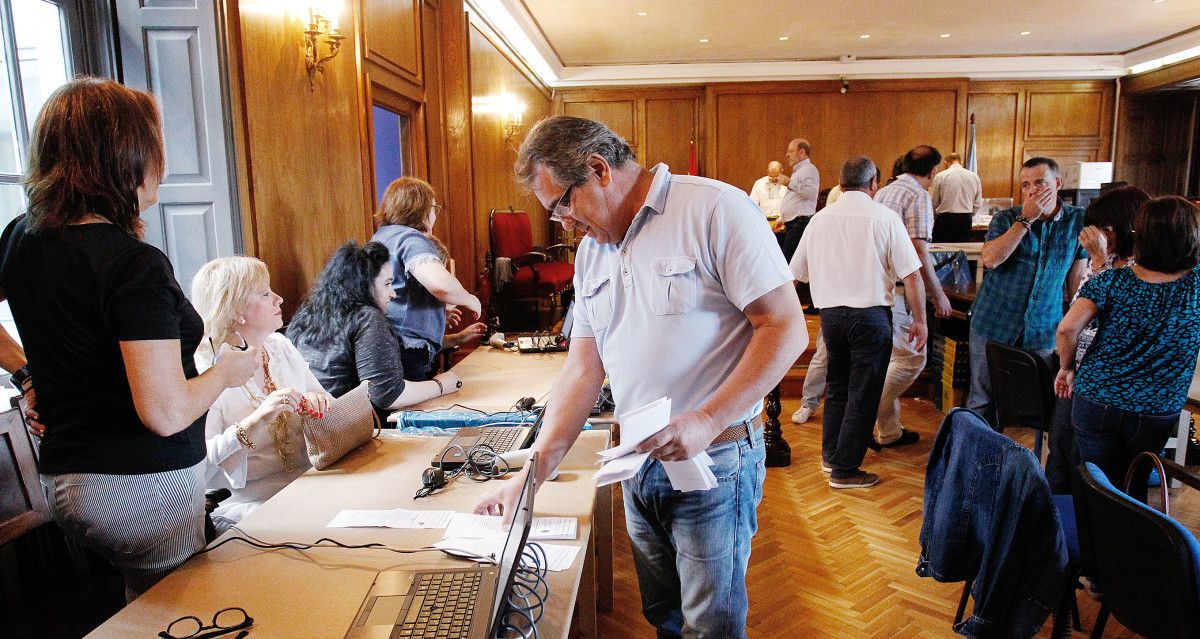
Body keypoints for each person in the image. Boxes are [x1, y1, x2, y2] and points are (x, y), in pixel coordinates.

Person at [475, 115, 806, 638]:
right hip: (636, 461)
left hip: (714, 454)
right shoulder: (591, 252)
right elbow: (583, 367)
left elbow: (786, 328)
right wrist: (532, 472)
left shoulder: (715, 210)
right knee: (664, 617)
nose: (561, 222)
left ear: (598, 169)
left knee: (710, 626)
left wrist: (705, 419)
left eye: (562, 203)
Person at [0, 78, 259, 599]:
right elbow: (163, 412)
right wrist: (229, 370)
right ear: (126, 156)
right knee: (183, 614)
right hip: (142, 483)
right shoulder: (131, 264)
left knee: (143, 609)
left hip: (69, 482)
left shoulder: (21, 237)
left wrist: (25, 373)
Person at [792, 156, 926, 488]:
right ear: (874, 184)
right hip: (870, 318)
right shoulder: (885, 218)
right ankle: (846, 470)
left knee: (836, 385)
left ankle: (830, 456)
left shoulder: (819, 219)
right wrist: (920, 320)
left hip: (831, 318)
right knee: (863, 392)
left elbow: (792, 276)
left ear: (840, 184)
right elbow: (912, 276)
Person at [1055, 196, 1200, 486]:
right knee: (1133, 486)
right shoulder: (1195, 286)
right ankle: (1130, 530)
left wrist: (1067, 367)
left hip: (1096, 398)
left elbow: (1067, 329)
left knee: (1096, 485)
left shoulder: (1112, 280)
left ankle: (1092, 529)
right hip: (1156, 407)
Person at [191, 257, 333, 533]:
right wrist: (258, 419)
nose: (278, 299)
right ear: (235, 310)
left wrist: (320, 402)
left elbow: (321, 395)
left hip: (310, 486)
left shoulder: (279, 346)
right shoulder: (205, 370)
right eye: (265, 293)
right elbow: (201, 467)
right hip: (249, 506)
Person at [1044, 185, 1149, 492]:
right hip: (1077, 372)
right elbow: (1076, 313)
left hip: (1103, 384)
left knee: (1089, 471)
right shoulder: (1106, 264)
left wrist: (1100, 262)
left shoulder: (1139, 270)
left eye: (1103, 228)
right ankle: (1057, 524)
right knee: (1061, 456)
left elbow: (1117, 320)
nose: (1094, 235)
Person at [968, 157, 1088, 425]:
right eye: (1026, 185)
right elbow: (991, 259)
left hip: (1043, 326)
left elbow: (1076, 278)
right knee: (982, 398)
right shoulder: (1006, 218)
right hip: (994, 322)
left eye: (1039, 183)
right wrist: (1025, 220)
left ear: (1057, 184)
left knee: (1037, 403)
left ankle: (1023, 460)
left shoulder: (1076, 220)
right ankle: (976, 461)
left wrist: (1076, 323)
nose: (1032, 191)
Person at [288, 241, 462, 419]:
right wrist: (441, 384)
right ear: (364, 284)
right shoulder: (367, 317)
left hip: (311, 427)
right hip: (347, 428)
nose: (393, 293)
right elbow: (388, 395)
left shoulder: (309, 314)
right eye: (387, 284)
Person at [872, 145, 952, 448]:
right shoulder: (918, 195)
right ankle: (868, 412)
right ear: (933, 172)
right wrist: (937, 294)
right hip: (901, 289)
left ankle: (889, 431)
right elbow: (918, 251)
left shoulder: (886, 192)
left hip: (881, 287)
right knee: (912, 360)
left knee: (894, 358)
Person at [371, 177, 486, 381]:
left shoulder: (382, 236)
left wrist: (437, 313)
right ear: (421, 209)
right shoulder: (410, 238)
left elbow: (402, 292)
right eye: (434, 208)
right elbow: (439, 284)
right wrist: (470, 299)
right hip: (406, 351)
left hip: (384, 345)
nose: (435, 215)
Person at [780, 138, 820, 261]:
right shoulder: (800, 171)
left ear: (801, 152)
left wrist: (789, 183)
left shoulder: (809, 169)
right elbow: (797, 199)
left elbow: (811, 193)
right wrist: (782, 218)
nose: (787, 155)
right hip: (793, 223)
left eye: (791, 151)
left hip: (800, 224)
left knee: (790, 264)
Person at [930, 152, 983, 242]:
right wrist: (969, 214)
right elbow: (978, 202)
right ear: (960, 162)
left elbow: (934, 202)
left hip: (945, 219)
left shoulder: (940, 176)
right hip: (966, 219)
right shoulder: (974, 176)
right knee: (962, 249)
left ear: (945, 163)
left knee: (943, 250)